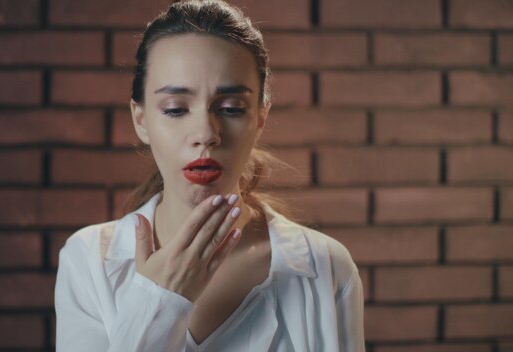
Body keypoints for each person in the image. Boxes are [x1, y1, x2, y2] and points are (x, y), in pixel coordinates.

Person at [54, 1, 365, 351]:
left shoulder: (326, 268)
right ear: (140, 120)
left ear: (260, 119)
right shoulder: (88, 260)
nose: (205, 132)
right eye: (175, 109)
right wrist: (159, 301)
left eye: (231, 108)